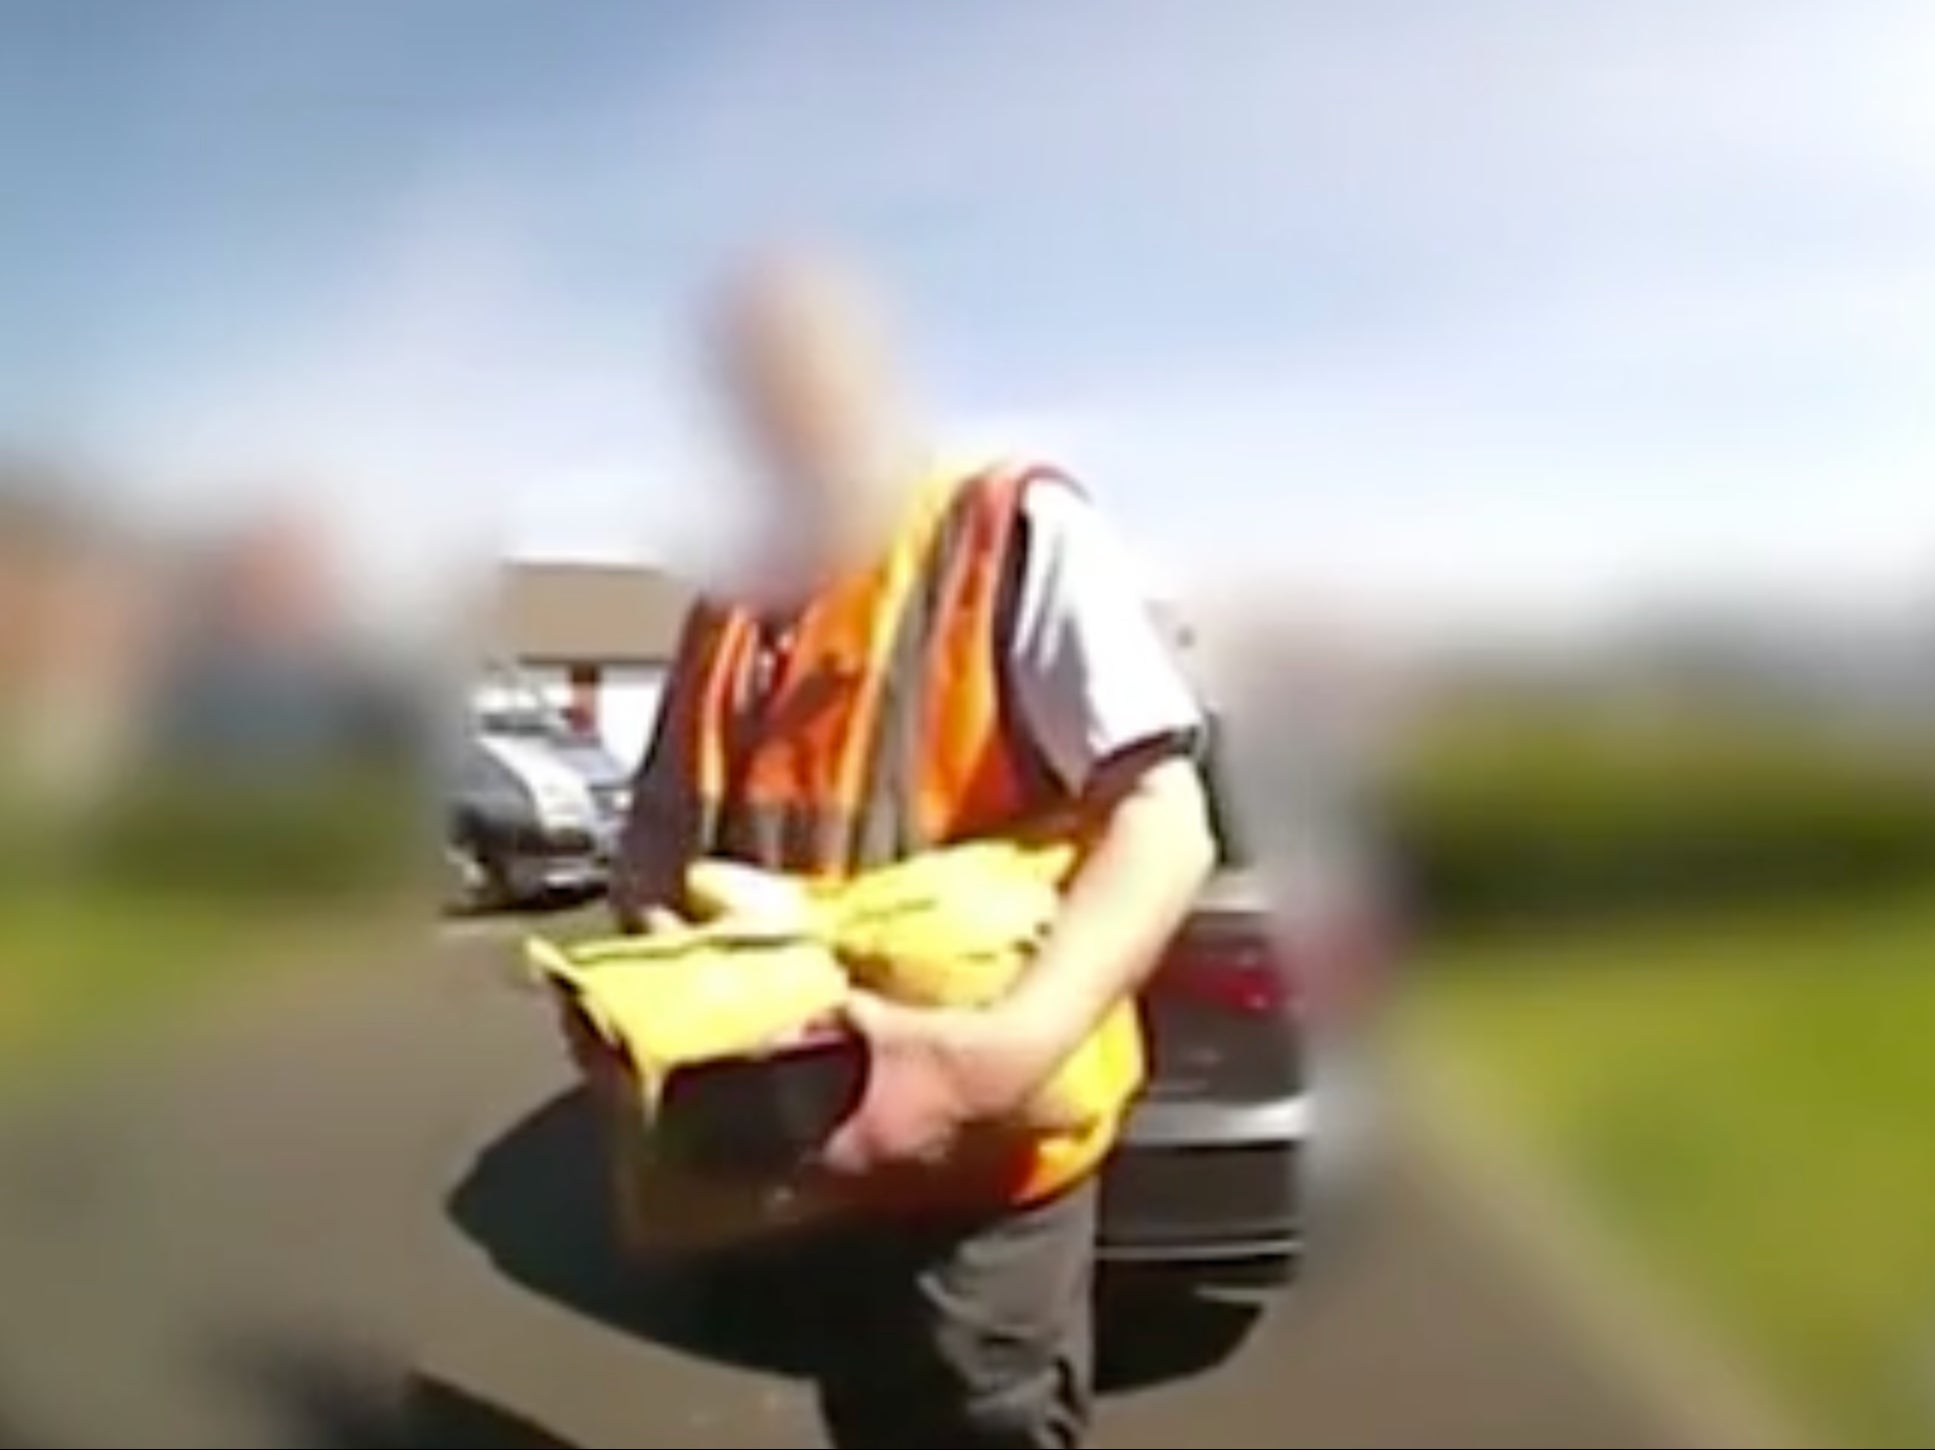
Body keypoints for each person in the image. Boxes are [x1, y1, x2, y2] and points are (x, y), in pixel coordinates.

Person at [581, 251, 1215, 1448]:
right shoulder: (732, 598)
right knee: (868, 1411)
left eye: (802, 376)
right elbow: (661, 841)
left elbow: (1164, 821)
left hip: (978, 1169)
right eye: (742, 389)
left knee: (968, 1417)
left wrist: (998, 1060)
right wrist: (647, 978)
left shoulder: (1004, 526)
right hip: (805, 1150)